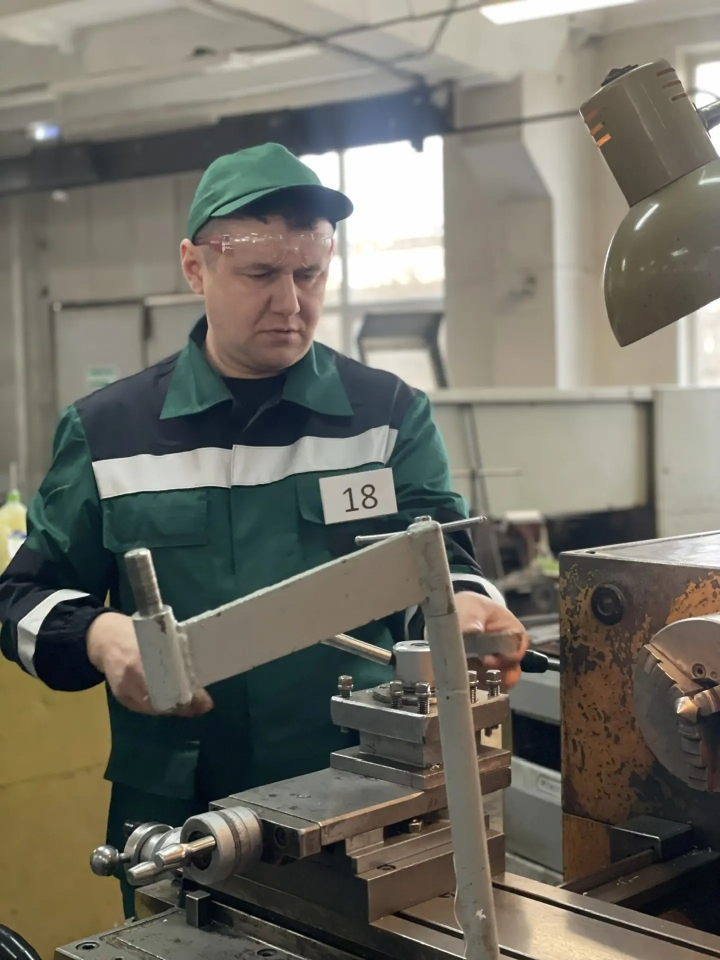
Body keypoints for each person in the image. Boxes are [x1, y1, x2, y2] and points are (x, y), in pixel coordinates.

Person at [0, 142, 527, 917]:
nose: (290, 302)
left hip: (364, 795)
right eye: (260, 274)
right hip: (181, 817)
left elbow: (441, 561)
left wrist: (470, 609)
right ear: (195, 267)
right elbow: (20, 599)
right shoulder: (109, 433)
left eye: (309, 274)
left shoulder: (384, 417)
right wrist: (102, 637)